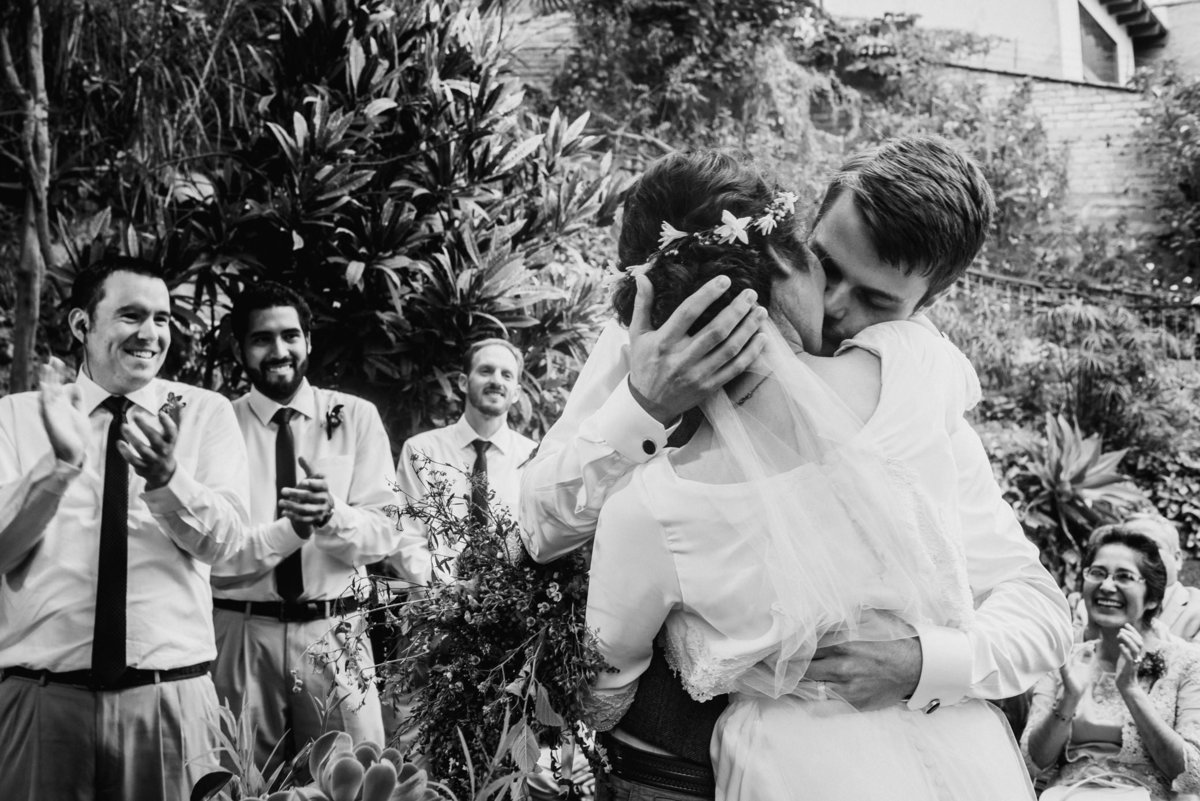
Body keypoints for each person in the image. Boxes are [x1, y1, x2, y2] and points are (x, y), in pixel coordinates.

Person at [520, 143, 1072, 799]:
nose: (834, 308)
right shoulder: (665, 322)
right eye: (828, 266)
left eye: (874, 297)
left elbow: (1036, 606)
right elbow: (539, 523)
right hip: (694, 766)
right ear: (798, 246)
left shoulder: (914, 381)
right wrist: (643, 406)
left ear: (927, 304)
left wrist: (925, 661)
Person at [0, 255, 251, 801]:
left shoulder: (204, 414)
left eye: (162, 319)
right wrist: (58, 468)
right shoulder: (16, 417)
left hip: (172, 705)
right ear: (80, 325)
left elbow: (229, 545)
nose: (152, 334)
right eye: (132, 316)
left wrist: (167, 479)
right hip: (42, 704)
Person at [210, 282, 410, 770]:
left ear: (308, 341)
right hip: (240, 631)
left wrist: (331, 514)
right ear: (241, 348)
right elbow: (206, 539)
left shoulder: (356, 417)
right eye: (262, 339)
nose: (279, 350)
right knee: (240, 779)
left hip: (333, 630)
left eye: (290, 336)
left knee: (349, 778)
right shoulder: (217, 422)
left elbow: (386, 531)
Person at [1022, 525, 1200, 799]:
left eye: (1124, 576)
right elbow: (1030, 763)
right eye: (1097, 573)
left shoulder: (1187, 662)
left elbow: (1192, 777)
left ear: (1152, 598)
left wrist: (1130, 691)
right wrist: (1069, 699)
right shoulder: (1066, 659)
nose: (1106, 586)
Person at [390, 338, 537, 583]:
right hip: (433, 609)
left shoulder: (533, 458)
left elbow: (537, 541)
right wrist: (450, 590)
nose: (496, 381)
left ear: (516, 394)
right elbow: (404, 539)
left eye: (507, 375)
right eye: (486, 370)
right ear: (463, 382)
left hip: (511, 610)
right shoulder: (420, 451)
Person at [1073, 515, 1200, 642]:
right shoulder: (1088, 606)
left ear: (1177, 558)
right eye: (1129, 546)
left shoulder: (1196, 608)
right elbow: (1065, 649)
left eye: (1152, 547)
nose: (1137, 555)